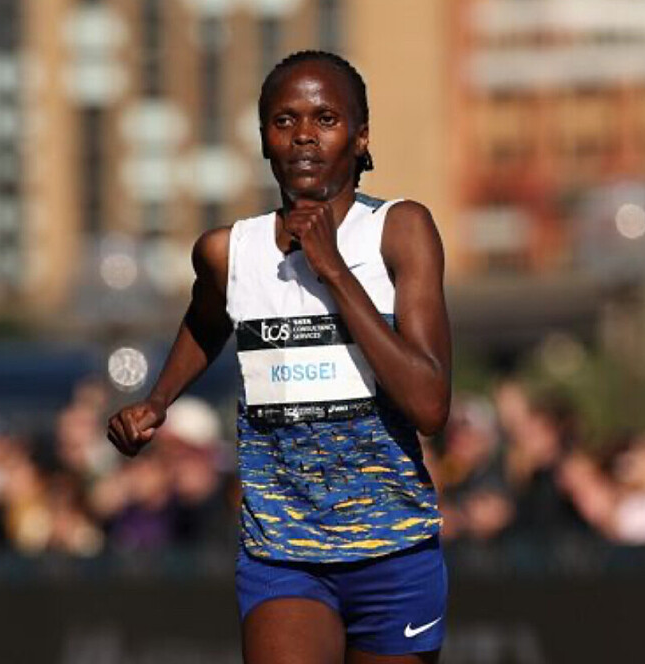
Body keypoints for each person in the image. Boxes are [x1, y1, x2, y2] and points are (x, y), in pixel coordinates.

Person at [107, 50, 451, 664]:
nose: (304, 136)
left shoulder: (400, 231)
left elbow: (429, 405)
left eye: (326, 119)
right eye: (284, 121)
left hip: (394, 547)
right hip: (283, 553)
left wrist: (333, 270)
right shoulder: (229, 252)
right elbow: (206, 320)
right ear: (264, 138)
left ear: (361, 137)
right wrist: (158, 400)